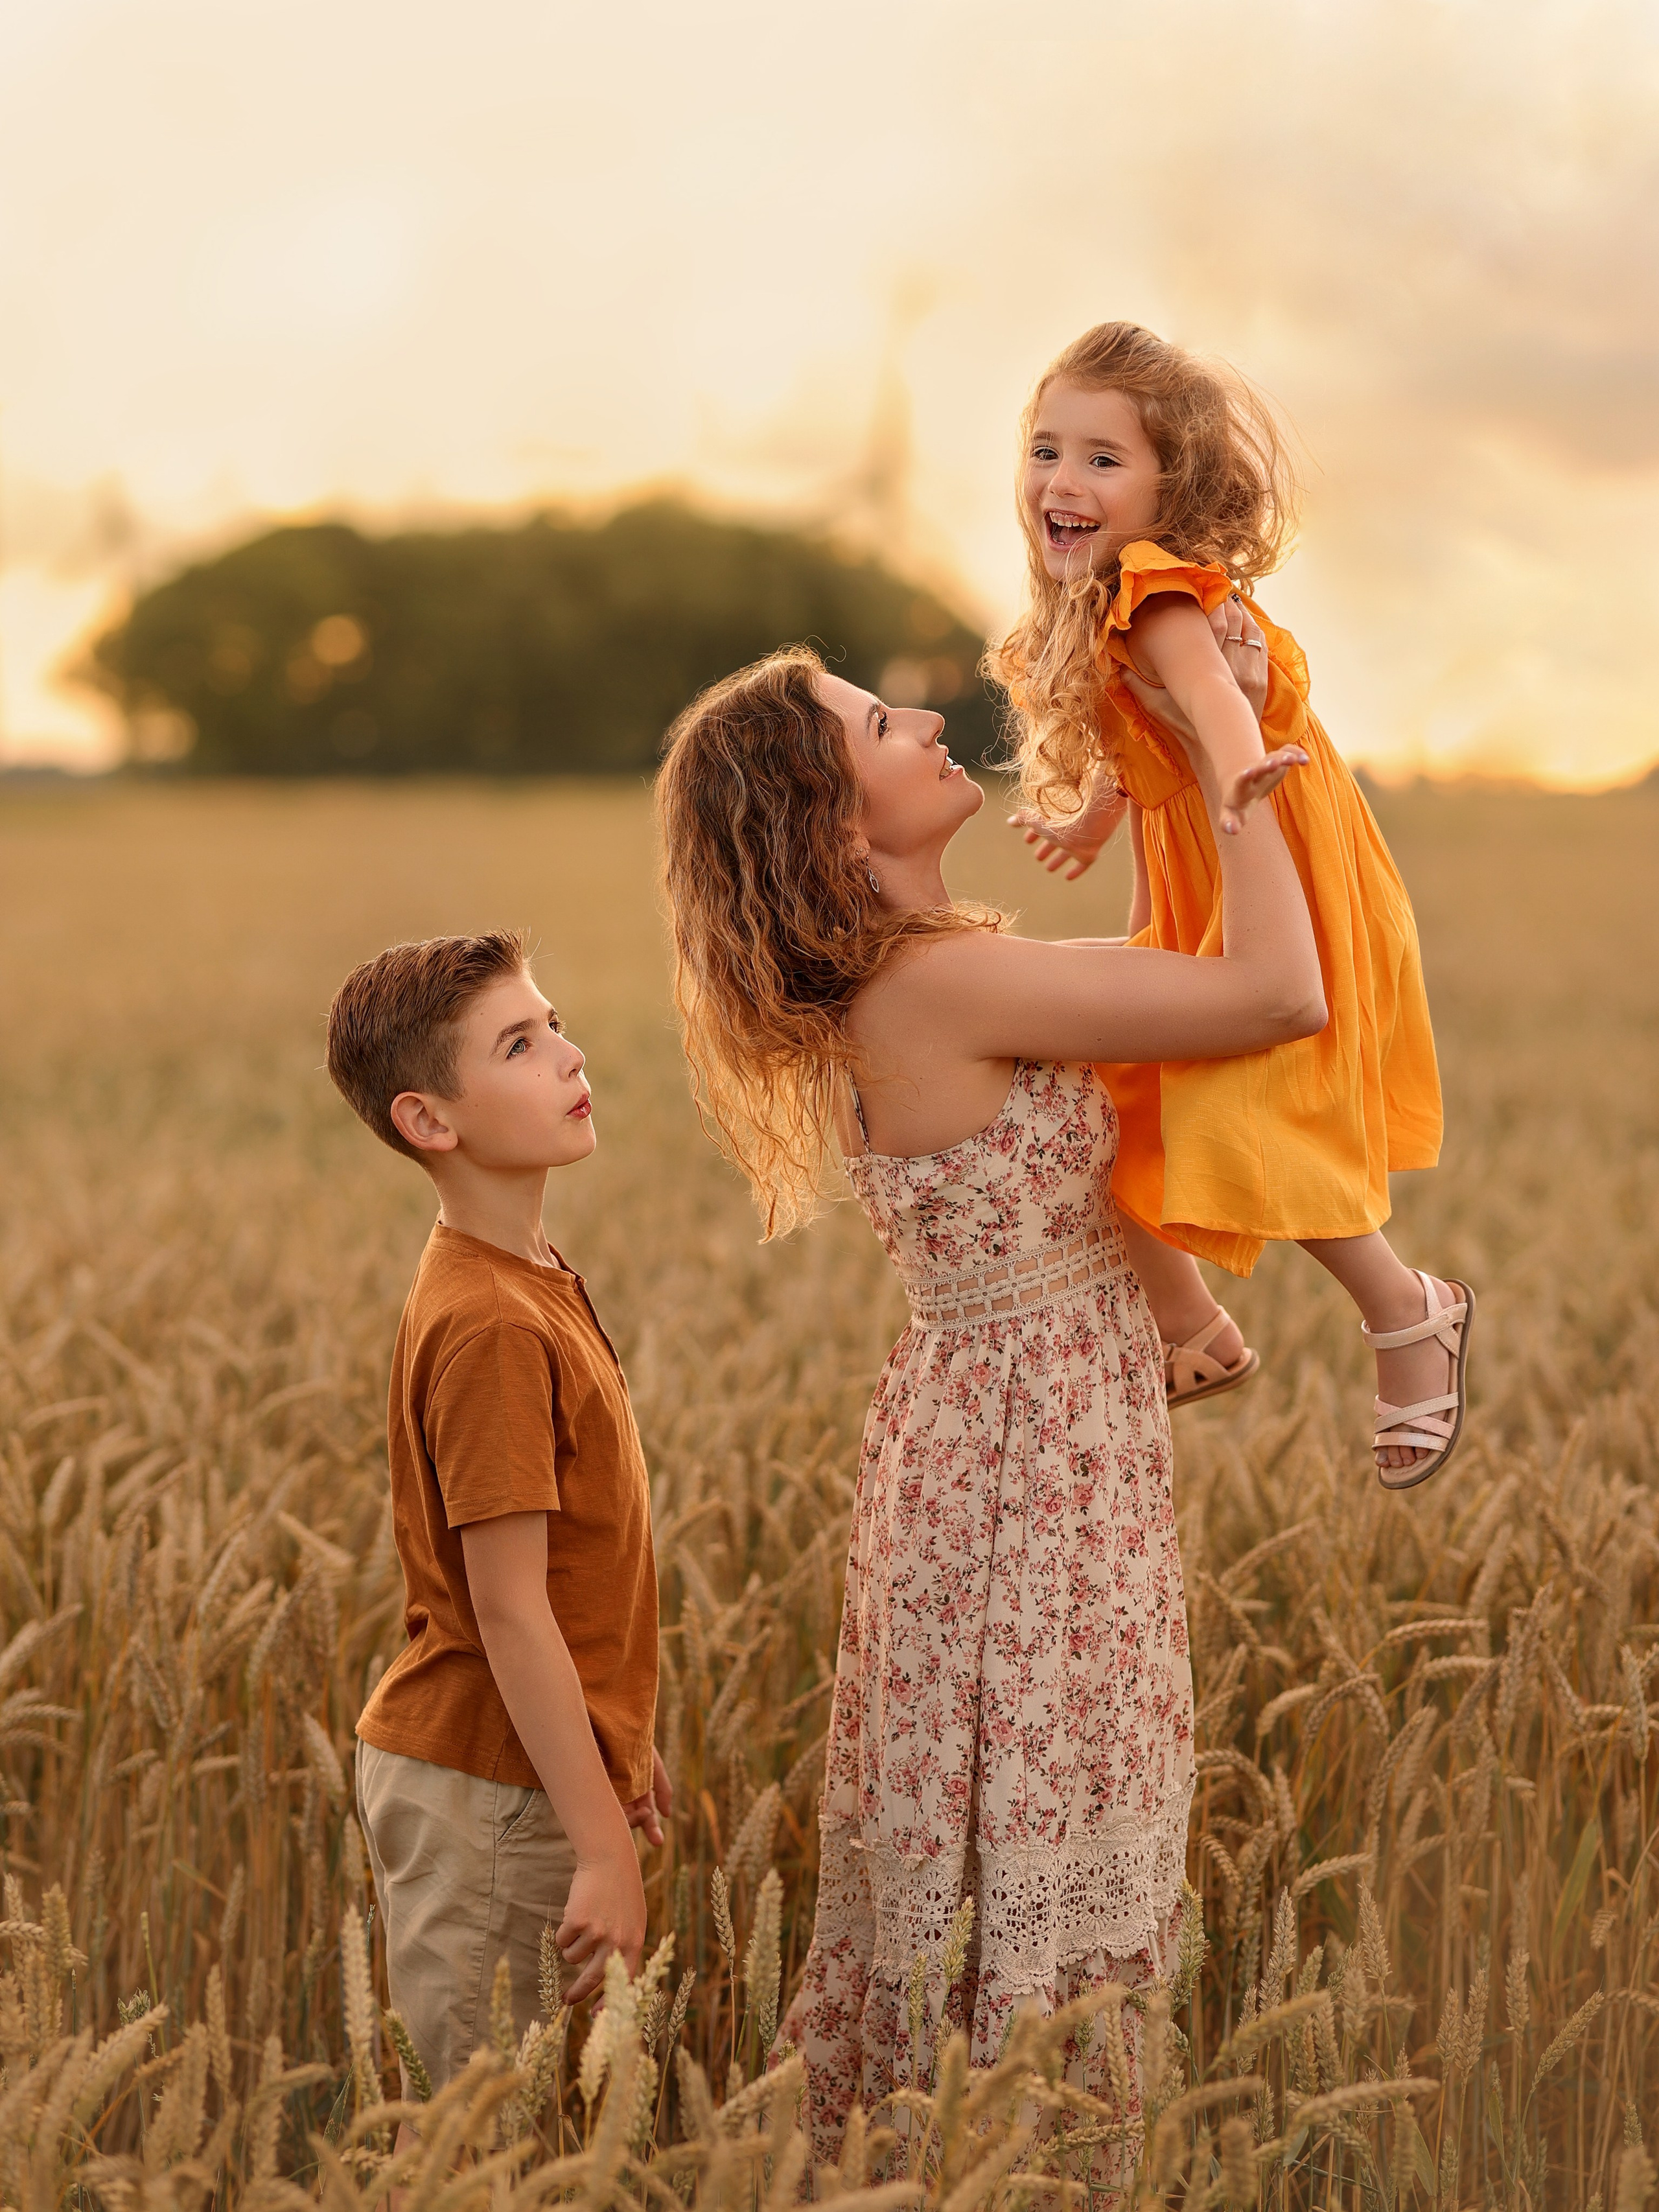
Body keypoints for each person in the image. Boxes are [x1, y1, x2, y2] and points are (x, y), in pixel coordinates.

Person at [655, 646, 1318, 2160]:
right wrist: (1232, 774)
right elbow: (1274, 993)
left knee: (1001, 1831)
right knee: (1031, 1832)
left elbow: (1082, 1123)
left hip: (1010, 1441)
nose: (933, 718)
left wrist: (1177, 1305)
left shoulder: (929, 973)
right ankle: (1019, 2172)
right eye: (882, 725)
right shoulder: (939, 983)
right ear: (833, 828)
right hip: (1028, 1472)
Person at [995, 321, 1475, 1488]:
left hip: (1267, 859)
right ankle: (1194, 1332)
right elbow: (1143, 733)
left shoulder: (1160, 589)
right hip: (1209, 850)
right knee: (1127, 1086)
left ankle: (1408, 1313)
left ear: (1173, 486)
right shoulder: (1109, 600)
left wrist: (1240, 766)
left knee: (1233, 1104)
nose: (1065, 481)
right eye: (1048, 448)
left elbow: (1207, 693)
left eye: (1104, 460)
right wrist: (1094, 820)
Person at [325, 930, 667, 2099]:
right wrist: (602, 1842)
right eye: (521, 1044)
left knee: (523, 2125)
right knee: (479, 2135)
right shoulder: (493, 1324)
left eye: (556, 1024)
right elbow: (510, 1607)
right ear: (431, 1120)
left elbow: (574, 1568)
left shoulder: (527, 1271)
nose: (570, 1055)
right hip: (489, 1794)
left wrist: (619, 1746)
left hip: (531, 1773)